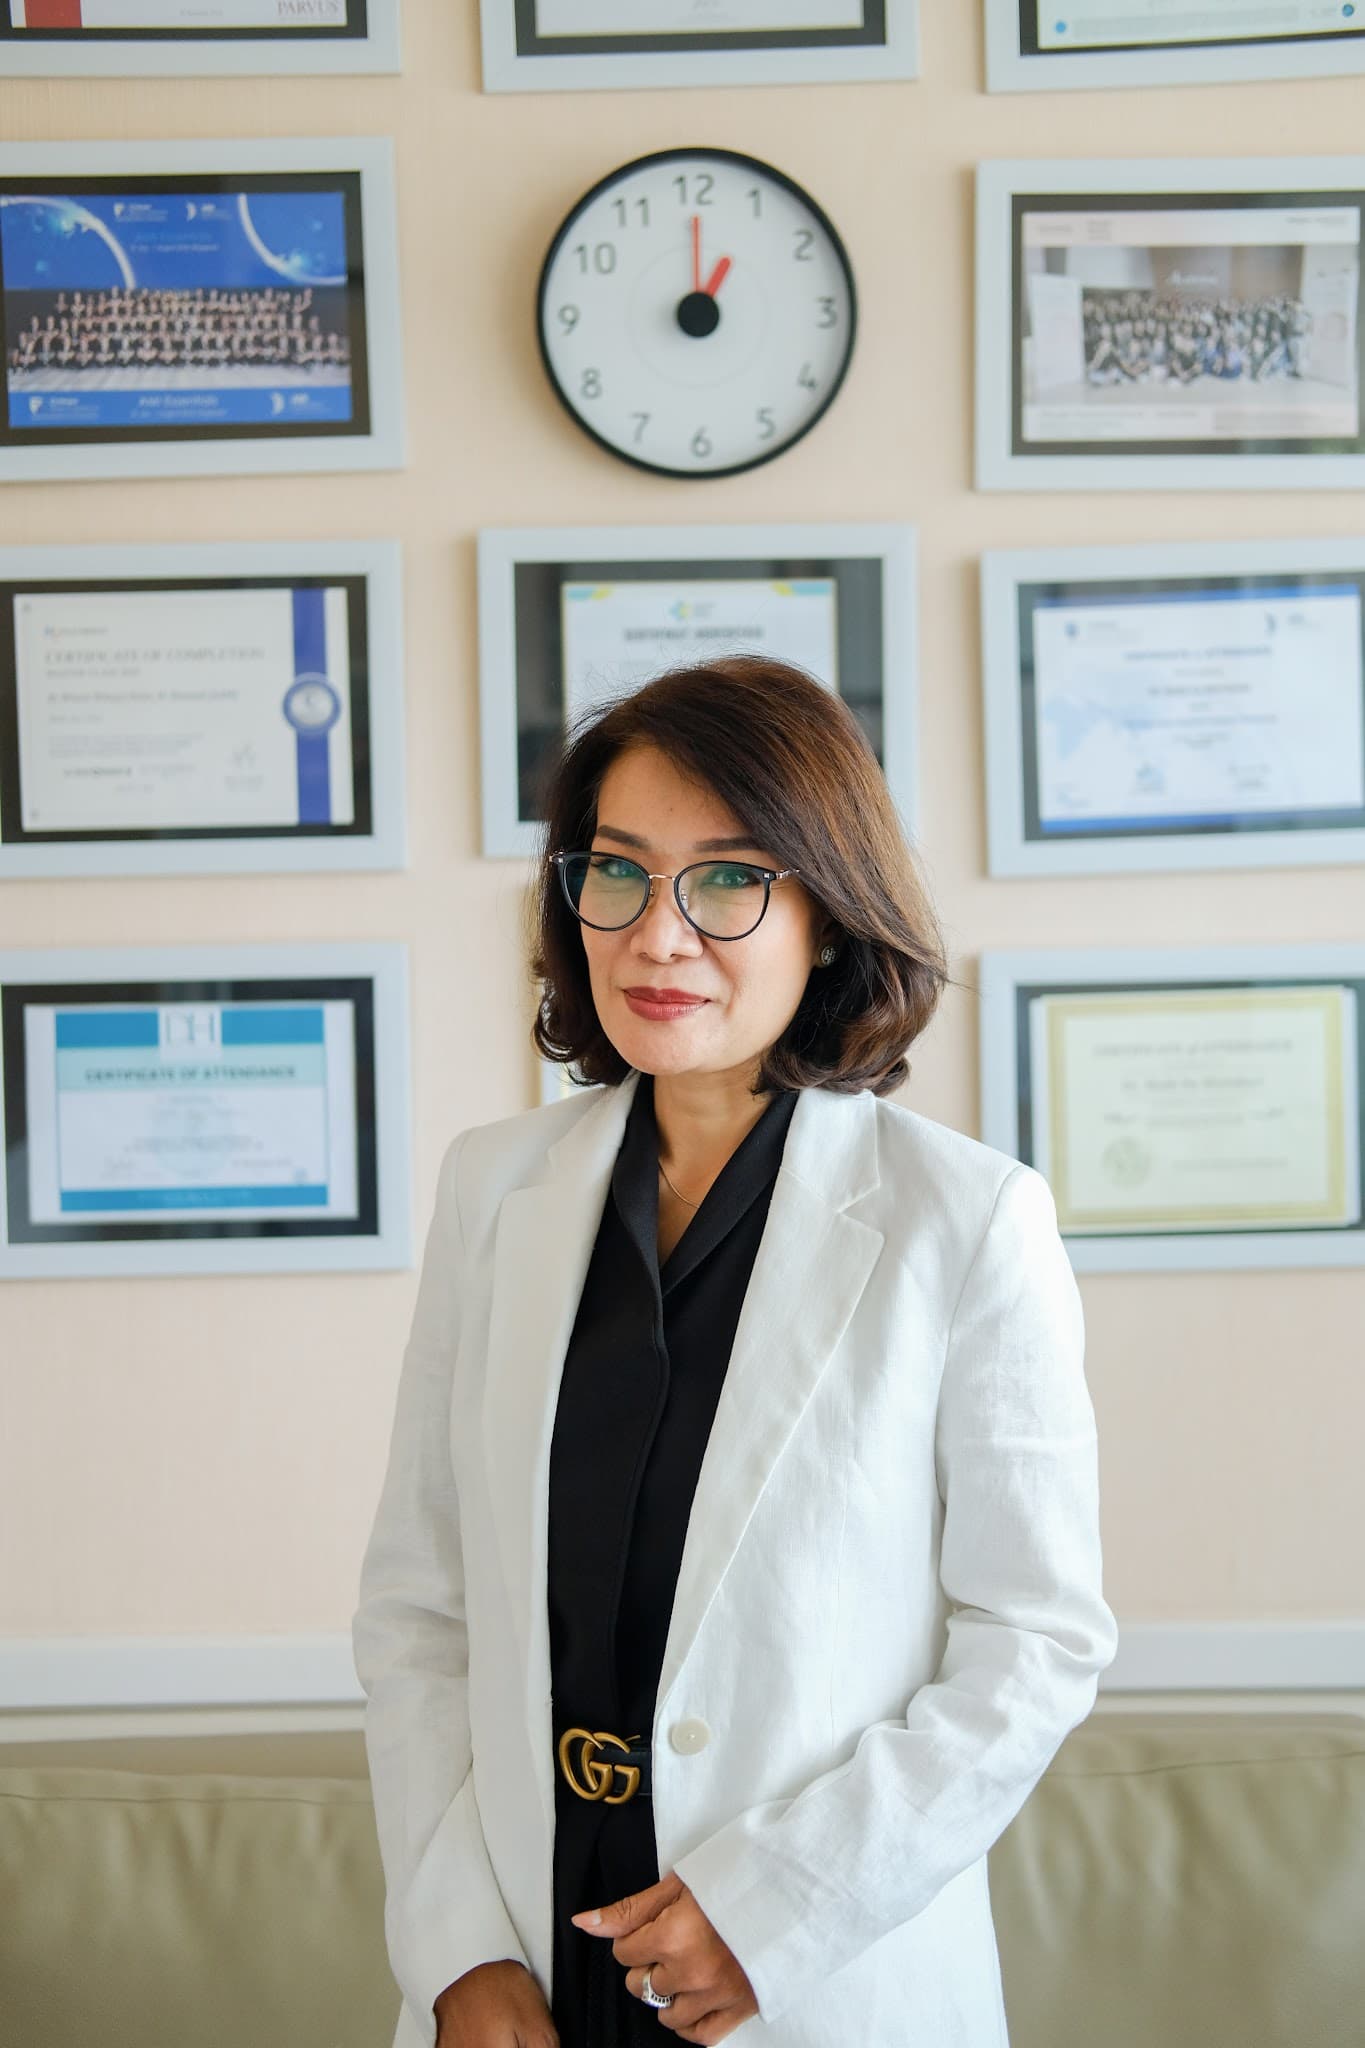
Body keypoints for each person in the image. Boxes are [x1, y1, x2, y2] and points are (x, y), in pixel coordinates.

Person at [353, 657, 1118, 2048]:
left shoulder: (966, 1219)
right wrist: (453, 1946)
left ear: (827, 911)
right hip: (522, 1954)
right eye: (617, 874)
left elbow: (1034, 1640)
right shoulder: (490, 1188)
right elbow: (421, 1612)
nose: (658, 936)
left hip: (802, 1971)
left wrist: (781, 1906)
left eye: (726, 879)